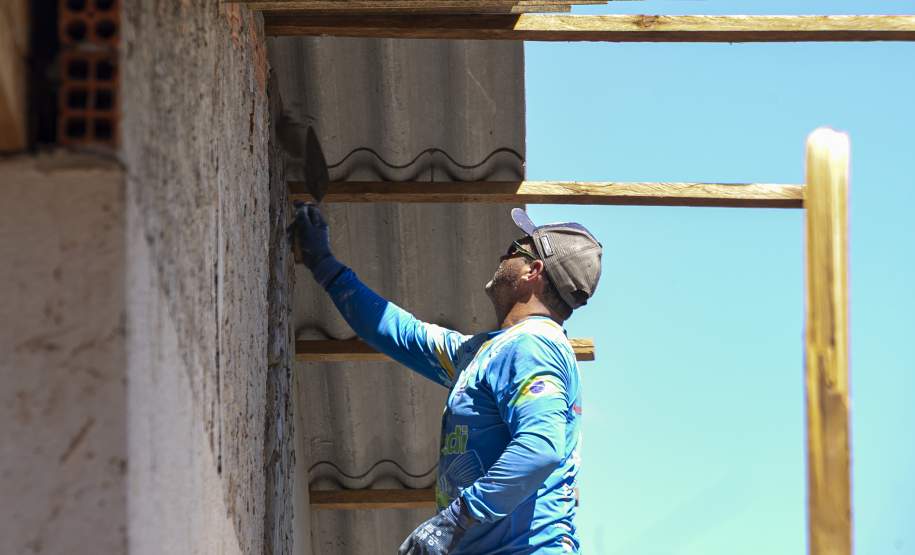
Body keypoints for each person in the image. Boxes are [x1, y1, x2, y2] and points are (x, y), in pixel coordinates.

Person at [293, 204, 602, 554]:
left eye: (516, 248)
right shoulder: (487, 353)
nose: (504, 254)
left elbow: (540, 448)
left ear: (533, 271)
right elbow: (403, 333)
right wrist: (323, 264)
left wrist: (457, 518)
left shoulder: (532, 347)